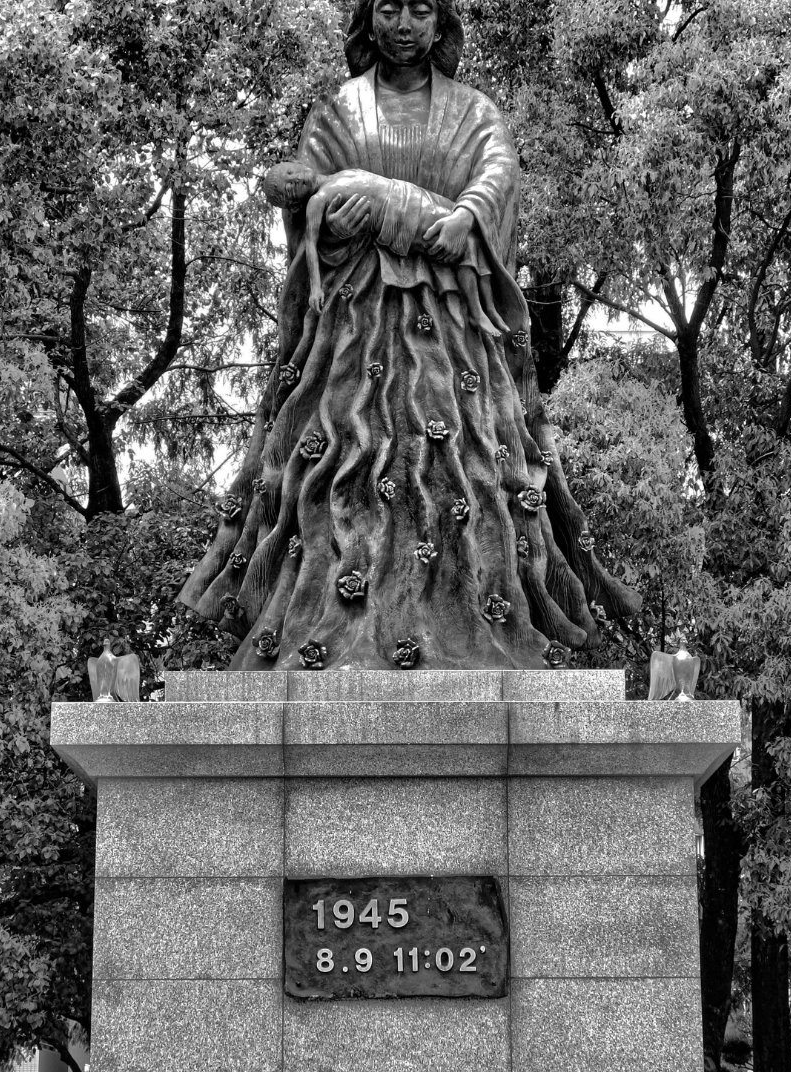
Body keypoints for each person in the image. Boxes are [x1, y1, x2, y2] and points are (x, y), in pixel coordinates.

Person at [178, 0, 640, 670]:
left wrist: (471, 215)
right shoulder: (338, 110)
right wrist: (334, 216)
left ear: (439, 22)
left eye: (419, 9)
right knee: (345, 463)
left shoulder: (473, 109)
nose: (403, 23)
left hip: (450, 320)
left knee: (466, 469)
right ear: (368, 20)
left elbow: (499, 169)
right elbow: (311, 202)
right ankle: (331, 621)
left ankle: (468, 621)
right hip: (356, 323)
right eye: (388, 8)